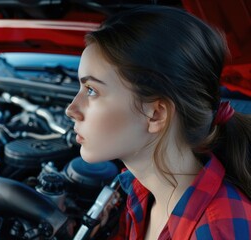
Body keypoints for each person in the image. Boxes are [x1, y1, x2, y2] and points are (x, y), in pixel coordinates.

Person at [66, 4, 251, 240]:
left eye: (91, 90)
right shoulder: (141, 190)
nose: (71, 109)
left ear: (156, 114)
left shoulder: (217, 231)